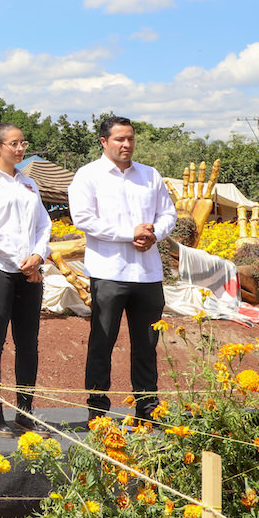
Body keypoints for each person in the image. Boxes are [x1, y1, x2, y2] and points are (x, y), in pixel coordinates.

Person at [68, 115, 176, 423]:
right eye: (119, 139)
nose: (126, 144)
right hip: (109, 272)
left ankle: (147, 411)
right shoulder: (88, 176)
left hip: (147, 273)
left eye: (130, 138)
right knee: (102, 343)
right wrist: (131, 233)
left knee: (147, 345)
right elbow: (84, 219)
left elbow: (168, 213)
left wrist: (154, 232)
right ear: (104, 142)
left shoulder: (149, 175)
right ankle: (98, 412)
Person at [0, 123, 50, 437]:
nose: (19, 149)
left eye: (22, 143)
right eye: (13, 144)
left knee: (28, 342)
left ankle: (24, 413)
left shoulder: (29, 183)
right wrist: (23, 262)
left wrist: (38, 257)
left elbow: (44, 223)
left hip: (29, 270)